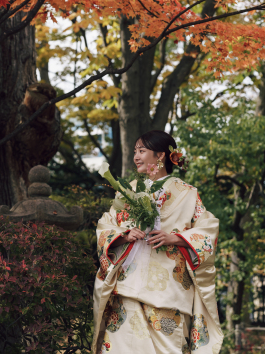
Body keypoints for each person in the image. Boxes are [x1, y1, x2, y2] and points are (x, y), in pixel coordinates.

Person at [92, 130, 222, 354]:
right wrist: (124, 235)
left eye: (142, 151)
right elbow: (106, 224)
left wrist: (177, 238)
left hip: (168, 290)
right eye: (135, 151)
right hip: (127, 286)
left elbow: (208, 230)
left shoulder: (187, 193)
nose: (136, 157)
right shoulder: (128, 190)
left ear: (160, 156)